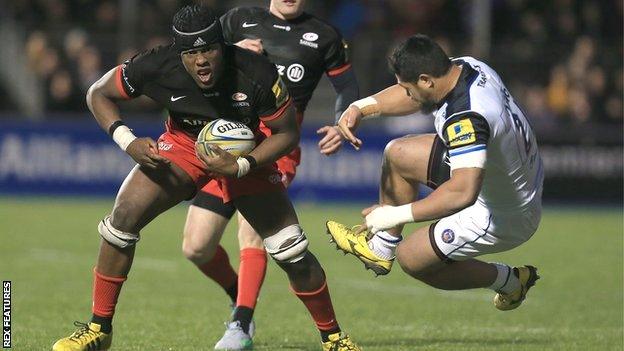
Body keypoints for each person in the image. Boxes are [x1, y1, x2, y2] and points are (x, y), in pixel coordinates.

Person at [52, 5, 360, 351]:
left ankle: (333, 337)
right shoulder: (158, 63)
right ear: (178, 52)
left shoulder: (256, 71)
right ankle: (99, 329)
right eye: (192, 53)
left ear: (223, 45)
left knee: (291, 250)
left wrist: (243, 165)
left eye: (208, 50)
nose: (201, 61)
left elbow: (286, 133)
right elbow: (98, 93)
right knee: (122, 219)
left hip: (250, 149)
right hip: (185, 144)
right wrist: (127, 140)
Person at [180, 1, 359, 349]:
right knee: (196, 247)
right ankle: (239, 296)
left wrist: (344, 120)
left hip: (275, 149)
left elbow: (348, 88)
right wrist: (230, 52)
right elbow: (196, 61)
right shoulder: (237, 20)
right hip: (226, 147)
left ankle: (241, 325)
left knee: (252, 234)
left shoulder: (325, 37)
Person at [327, 34, 543, 312]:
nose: (405, 93)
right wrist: (360, 108)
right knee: (399, 154)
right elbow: (416, 97)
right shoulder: (465, 67)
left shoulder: (467, 117)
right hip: (505, 173)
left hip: (504, 213)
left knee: (412, 259)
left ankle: (511, 282)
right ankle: (380, 248)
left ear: (427, 80)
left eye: (407, 87)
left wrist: (392, 214)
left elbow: (463, 192)